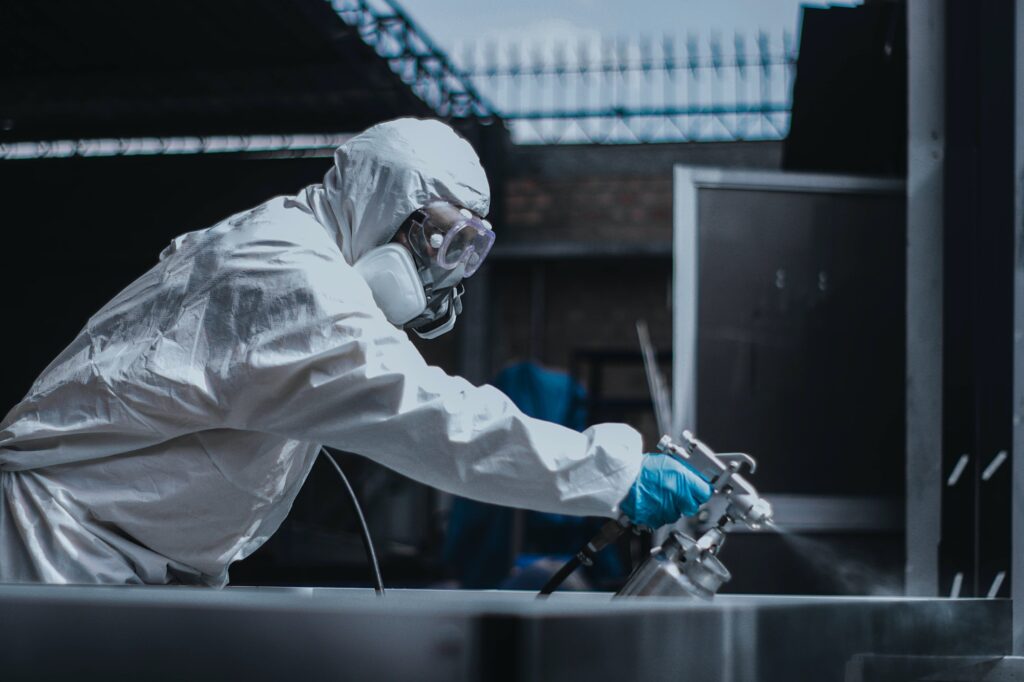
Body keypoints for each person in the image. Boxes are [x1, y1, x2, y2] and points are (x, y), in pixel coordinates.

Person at [0, 118, 710, 585]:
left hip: (126, 558)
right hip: (60, 549)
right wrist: (615, 474)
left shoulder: (293, 250)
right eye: (442, 240)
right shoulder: (291, 282)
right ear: (383, 200)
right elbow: (438, 421)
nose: (443, 272)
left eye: (468, 251)